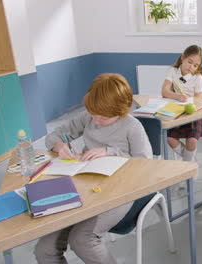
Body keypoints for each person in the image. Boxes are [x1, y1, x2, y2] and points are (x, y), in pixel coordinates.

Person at [34, 73, 153, 264]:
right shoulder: (89, 117)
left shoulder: (133, 127)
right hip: (87, 186)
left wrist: (110, 151)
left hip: (121, 190)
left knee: (82, 239)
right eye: (93, 114)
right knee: (45, 249)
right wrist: (59, 146)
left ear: (121, 110)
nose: (96, 121)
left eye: (103, 118)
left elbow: (145, 164)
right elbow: (54, 136)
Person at [162, 45, 202, 163]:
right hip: (179, 111)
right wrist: (178, 96)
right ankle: (190, 161)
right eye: (189, 62)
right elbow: (165, 91)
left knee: (192, 140)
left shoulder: (198, 78)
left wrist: (188, 102)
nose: (191, 67)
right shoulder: (172, 71)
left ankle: (188, 167)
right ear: (183, 57)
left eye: (195, 65)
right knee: (169, 137)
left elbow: (198, 101)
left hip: (197, 113)